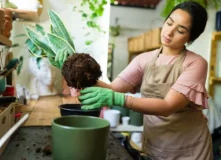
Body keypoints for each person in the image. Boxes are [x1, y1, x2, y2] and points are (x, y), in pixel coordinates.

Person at [78, 1, 212, 159]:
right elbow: (112, 89)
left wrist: (119, 99)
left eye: (180, 30)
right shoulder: (144, 59)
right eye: (169, 23)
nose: (169, 32)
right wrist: (76, 70)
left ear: (190, 38)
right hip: (155, 146)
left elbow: (167, 106)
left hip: (189, 150)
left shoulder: (195, 63)